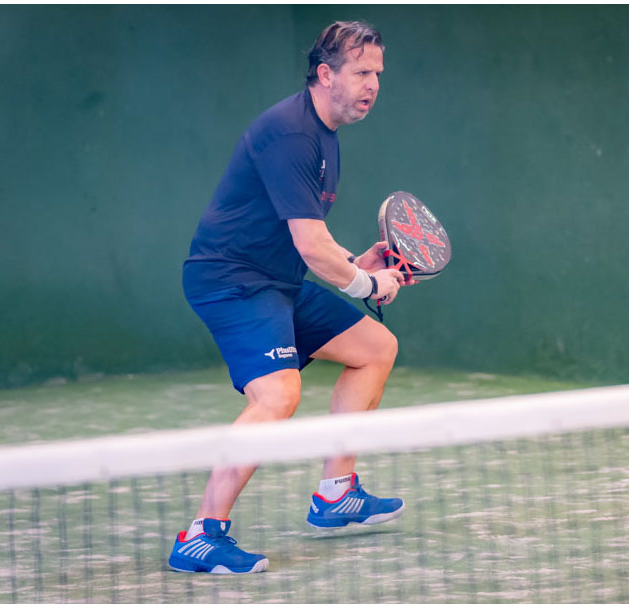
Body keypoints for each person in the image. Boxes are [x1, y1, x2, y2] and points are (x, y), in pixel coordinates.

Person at [169, 21, 409, 575]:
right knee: (277, 395)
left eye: (378, 74)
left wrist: (356, 264)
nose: (373, 84)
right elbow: (310, 246)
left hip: (276, 279)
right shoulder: (291, 135)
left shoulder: (324, 135)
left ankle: (335, 493)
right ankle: (201, 535)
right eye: (361, 73)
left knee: (375, 348)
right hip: (231, 280)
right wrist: (367, 284)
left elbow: (310, 239)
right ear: (325, 75)